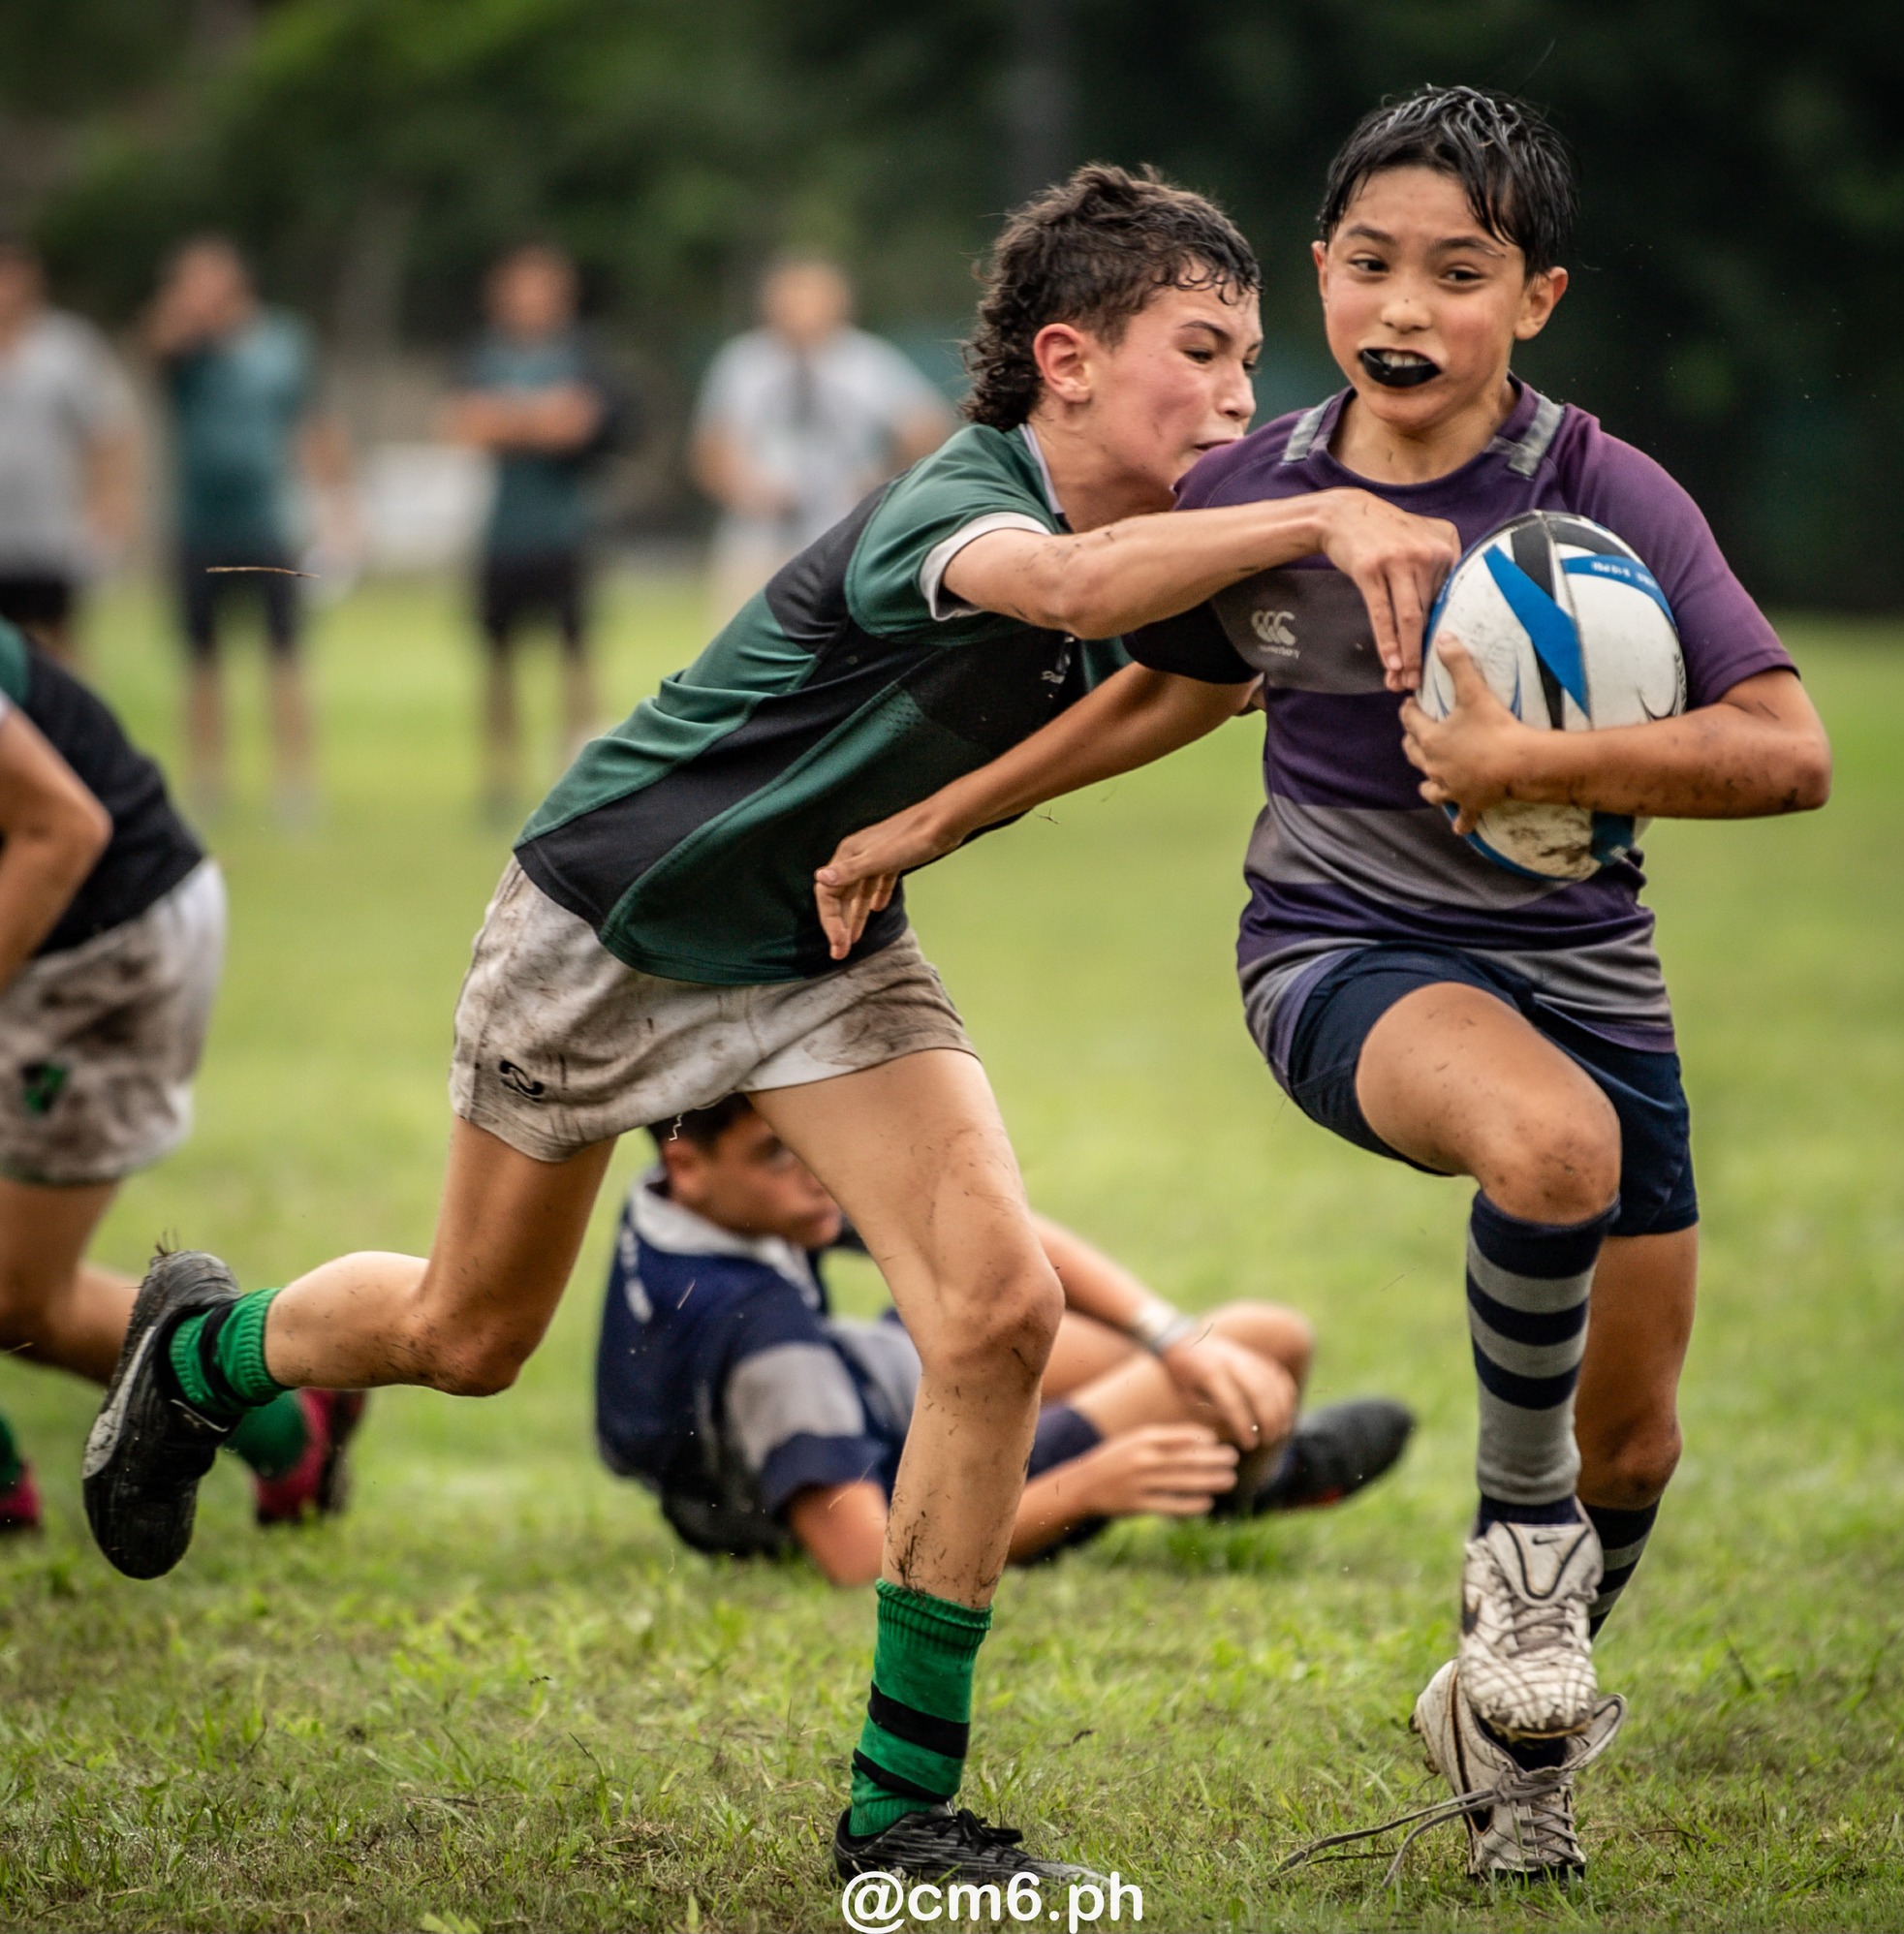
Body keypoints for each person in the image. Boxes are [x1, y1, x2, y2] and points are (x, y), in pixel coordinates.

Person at [79, 163, 1457, 1887]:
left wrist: (927, 826)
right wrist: (1314, 516)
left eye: (1255, 359)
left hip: (825, 940)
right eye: (1203, 349)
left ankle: (900, 1812)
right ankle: (199, 1353)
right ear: (1067, 359)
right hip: (614, 925)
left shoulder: (1167, 538)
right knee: (468, 1331)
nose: (1245, 396)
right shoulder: (955, 503)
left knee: (996, 1308)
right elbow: (1072, 597)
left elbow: (1192, 678)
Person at [812, 91, 1833, 1883]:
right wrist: (938, 817)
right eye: (1370, 262)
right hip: (1336, 958)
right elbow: (1174, 685)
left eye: (1460, 271)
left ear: (1535, 299)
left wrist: (1536, 767)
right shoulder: (1256, 487)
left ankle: (1510, 1750)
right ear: (1320, 276)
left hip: (1586, 970)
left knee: (1637, 1435)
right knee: (1549, 1151)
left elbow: (1788, 748)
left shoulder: (1601, 490)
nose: (1407, 305)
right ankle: (1518, 1599)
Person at [597, 1098, 1414, 1579]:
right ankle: (1265, 1479)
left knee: (1211, 1353)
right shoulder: (765, 1346)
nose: (818, 1171)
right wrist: (1090, 1486)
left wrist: (1167, 1334)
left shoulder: (685, 1206)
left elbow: (1003, 1239)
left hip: (874, 1384)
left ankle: (1233, 1453)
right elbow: (862, 1562)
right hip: (923, 1461)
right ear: (691, 1162)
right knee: (1265, 1343)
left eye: (814, 1141)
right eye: (779, 1153)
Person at [0, 616, 361, 1538]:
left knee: (15, 1295)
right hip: (74, 925)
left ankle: (286, 1419)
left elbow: (62, 828)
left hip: (99, 945)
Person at [147, 236, 357, 818]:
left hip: (268, 523)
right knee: (201, 658)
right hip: (198, 526)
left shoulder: (282, 342)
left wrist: (339, 506)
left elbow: (314, 422)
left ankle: (295, 784)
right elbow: (155, 347)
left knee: (285, 654)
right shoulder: (182, 347)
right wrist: (187, 318)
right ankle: (208, 782)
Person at [443, 243, 628, 813]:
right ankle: (500, 780)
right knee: (498, 660)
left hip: (565, 531)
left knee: (575, 654)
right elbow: (463, 424)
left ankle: (579, 773)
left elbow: (580, 424)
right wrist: (536, 418)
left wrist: (509, 420)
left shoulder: (584, 354)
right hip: (502, 533)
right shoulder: (483, 355)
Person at [692, 256, 952, 624]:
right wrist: (745, 491)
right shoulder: (744, 362)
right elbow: (711, 448)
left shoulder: (866, 362)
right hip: (758, 534)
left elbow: (927, 427)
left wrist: (884, 482)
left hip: (841, 532)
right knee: (737, 637)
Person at [0, 242, 140, 667]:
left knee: (59, 639)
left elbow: (108, 430)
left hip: (49, 530)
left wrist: (110, 507)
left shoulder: (66, 347)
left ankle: (69, 728)